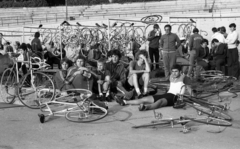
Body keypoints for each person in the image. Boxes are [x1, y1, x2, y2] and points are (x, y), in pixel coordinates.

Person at [116, 64, 185, 111]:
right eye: (173, 71)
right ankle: (125, 102)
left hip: (173, 97)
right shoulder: (171, 77)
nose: (174, 73)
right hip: (167, 94)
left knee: (159, 102)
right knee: (144, 99)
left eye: (176, 71)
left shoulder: (183, 79)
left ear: (180, 72)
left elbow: (185, 89)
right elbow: (173, 76)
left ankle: (145, 107)